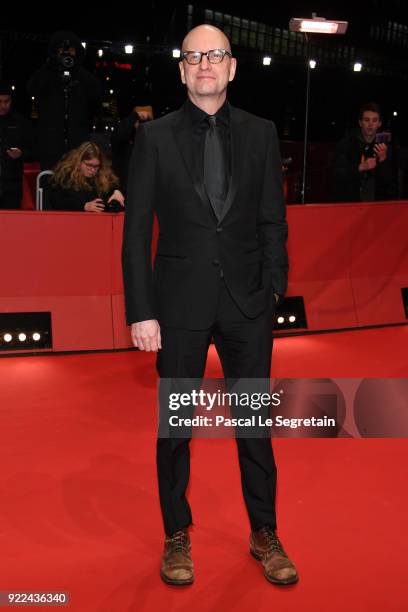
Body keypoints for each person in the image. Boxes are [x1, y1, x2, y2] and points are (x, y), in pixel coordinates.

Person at [122, 25, 297, 586]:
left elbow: (273, 216)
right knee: (176, 427)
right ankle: (176, 533)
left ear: (231, 67)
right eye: (194, 56)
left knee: (253, 424)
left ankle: (264, 531)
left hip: (248, 303)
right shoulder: (155, 138)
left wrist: (274, 286)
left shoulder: (262, 132)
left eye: (215, 55)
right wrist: (141, 311)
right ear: (182, 70)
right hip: (178, 305)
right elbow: (135, 232)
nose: (205, 64)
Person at [28, 30, 102, 170]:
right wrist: (51, 64)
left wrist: (77, 67)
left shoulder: (82, 76)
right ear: (55, 52)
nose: (67, 55)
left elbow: (97, 92)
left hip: (77, 146)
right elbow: (31, 88)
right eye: (62, 51)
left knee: (77, 185)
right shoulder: (48, 74)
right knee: (51, 183)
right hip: (50, 145)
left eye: (71, 51)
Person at [332, 102, 395, 202]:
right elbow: (337, 173)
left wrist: (383, 161)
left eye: (374, 120)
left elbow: (390, 182)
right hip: (350, 204)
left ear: (379, 123)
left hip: (376, 207)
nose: (370, 124)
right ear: (360, 122)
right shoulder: (347, 143)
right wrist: (361, 167)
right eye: (366, 120)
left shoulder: (384, 146)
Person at [49, 141, 124, 212]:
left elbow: (114, 188)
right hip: (72, 220)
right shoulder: (66, 176)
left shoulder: (102, 174)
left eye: (96, 166)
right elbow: (57, 202)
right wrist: (84, 206)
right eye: (89, 165)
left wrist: (117, 191)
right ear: (79, 161)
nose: (93, 170)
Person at [0, 81, 33, 209]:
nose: (3, 105)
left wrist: (21, 154)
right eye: (0, 101)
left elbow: (34, 151)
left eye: (6, 101)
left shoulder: (21, 122)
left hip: (12, 188)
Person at [111, 105, 153, 193]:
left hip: (146, 189)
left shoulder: (153, 140)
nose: (143, 124)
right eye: (140, 120)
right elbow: (119, 135)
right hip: (124, 190)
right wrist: (135, 116)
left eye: (146, 120)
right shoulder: (124, 141)